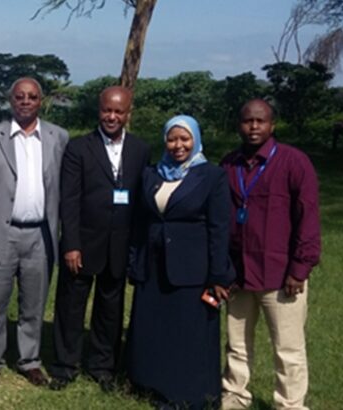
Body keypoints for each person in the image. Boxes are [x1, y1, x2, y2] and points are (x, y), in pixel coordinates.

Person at [125, 115, 234, 409]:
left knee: (188, 334)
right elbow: (140, 221)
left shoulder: (211, 176)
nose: (178, 145)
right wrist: (135, 262)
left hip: (192, 270)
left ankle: (187, 393)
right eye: (172, 139)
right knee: (155, 328)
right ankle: (150, 382)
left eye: (184, 139)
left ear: (196, 139)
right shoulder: (152, 174)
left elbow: (219, 228)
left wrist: (218, 274)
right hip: (153, 266)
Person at [220, 99, 321, 410]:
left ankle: (290, 404)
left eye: (260, 121)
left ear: (272, 125)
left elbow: (308, 217)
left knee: (288, 348)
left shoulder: (293, 162)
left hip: (280, 274)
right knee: (237, 345)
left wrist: (300, 268)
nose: (253, 127)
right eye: (247, 121)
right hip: (239, 273)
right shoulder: (229, 164)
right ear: (239, 124)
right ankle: (235, 398)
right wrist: (223, 269)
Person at [49, 86, 150, 392]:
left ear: (127, 114)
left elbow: (141, 201)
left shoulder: (141, 149)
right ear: (99, 110)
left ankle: (103, 366)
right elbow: (69, 200)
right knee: (70, 307)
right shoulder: (79, 147)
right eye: (107, 110)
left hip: (119, 245)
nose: (112, 116)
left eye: (118, 111)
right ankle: (65, 366)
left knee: (111, 309)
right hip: (83, 244)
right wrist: (71, 244)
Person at [0, 77, 68, 389]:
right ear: (10, 100)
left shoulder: (58, 137)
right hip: (1, 231)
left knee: (34, 302)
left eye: (31, 97)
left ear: (41, 101)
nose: (25, 101)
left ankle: (30, 360)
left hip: (40, 235)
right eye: (19, 96)